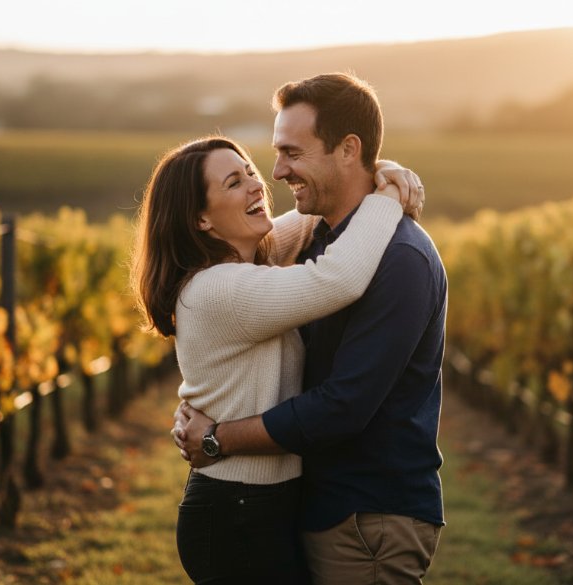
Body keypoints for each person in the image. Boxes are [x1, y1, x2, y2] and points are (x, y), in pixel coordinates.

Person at [174, 73, 447, 585]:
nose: (275, 173)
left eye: (291, 153)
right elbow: (330, 277)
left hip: (369, 515)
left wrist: (217, 436)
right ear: (201, 221)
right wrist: (381, 184)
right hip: (319, 506)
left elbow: (344, 405)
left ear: (348, 149)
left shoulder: (396, 259)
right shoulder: (321, 240)